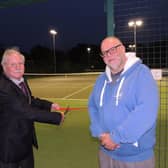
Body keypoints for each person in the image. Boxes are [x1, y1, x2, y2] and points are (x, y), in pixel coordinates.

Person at [88, 36, 159, 168]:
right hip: (105, 154)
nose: (109, 55)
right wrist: (99, 131)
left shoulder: (141, 74)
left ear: (123, 49)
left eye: (113, 49)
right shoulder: (101, 80)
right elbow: (92, 106)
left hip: (135, 158)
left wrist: (116, 137)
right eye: (105, 52)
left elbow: (146, 111)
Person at [0, 48, 64, 168]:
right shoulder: (4, 88)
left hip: (25, 144)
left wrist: (49, 105)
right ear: (4, 66)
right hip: (9, 148)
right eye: (13, 64)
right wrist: (56, 117)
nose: (18, 67)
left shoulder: (21, 81)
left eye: (20, 63)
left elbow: (30, 100)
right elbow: (26, 111)